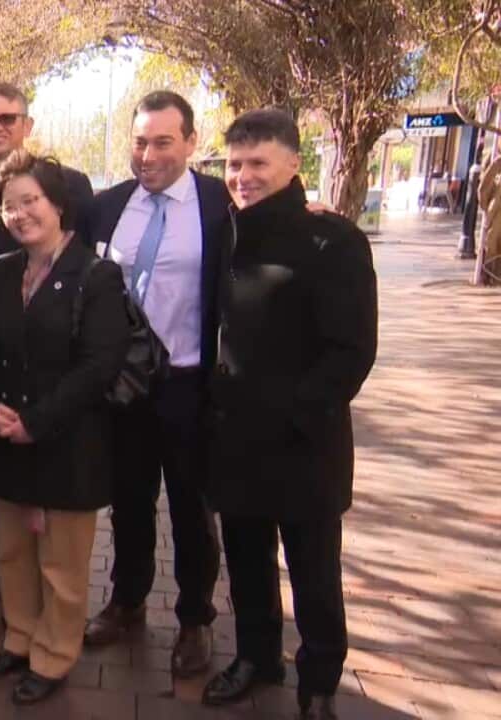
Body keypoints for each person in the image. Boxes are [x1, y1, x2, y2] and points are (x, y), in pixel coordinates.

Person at [200, 109, 377, 720]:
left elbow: (352, 351)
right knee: (247, 563)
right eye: (235, 165)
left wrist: (294, 415)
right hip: (238, 439)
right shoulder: (229, 228)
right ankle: (255, 657)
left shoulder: (334, 241)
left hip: (304, 442)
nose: (243, 177)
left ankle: (320, 681)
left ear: (293, 164)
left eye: (257, 164)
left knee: (314, 573)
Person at [0, 150, 130, 705]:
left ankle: (53, 655)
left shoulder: (96, 274)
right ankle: (18, 637)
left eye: (30, 201)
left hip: (66, 444)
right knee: (13, 554)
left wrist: (35, 424)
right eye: (9, 206)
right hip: (5, 441)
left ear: (57, 204)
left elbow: (99, 365)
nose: (19, 215)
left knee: (62, 565)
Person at [82, 91, 225, 677]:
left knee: (192, 508)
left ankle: (195, 619)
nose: (149, 154)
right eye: (140, 141)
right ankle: (128, 599)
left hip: (191, 383)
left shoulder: (219, 205)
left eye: (163, 141)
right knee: (130, 501)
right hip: (126, 387)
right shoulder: (109, 205)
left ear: (191, 142)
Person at [0, 80, 95, 601]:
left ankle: (33, 574)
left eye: (8, 118)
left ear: (27, 124)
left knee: (31, 459)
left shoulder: (69, 183)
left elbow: (86, 257)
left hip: (43, 352)